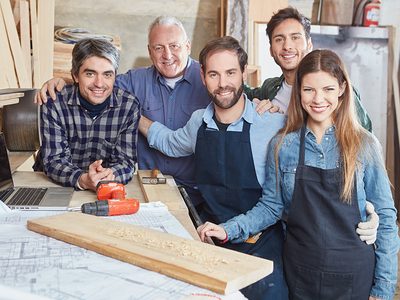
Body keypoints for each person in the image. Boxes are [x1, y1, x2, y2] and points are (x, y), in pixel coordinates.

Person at [198, 49, 399, 300]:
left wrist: (383, 289)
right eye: (308, 89)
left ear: (342, 89)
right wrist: (228, 229)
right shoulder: (284, 145)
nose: (318, 99)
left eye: (327, 89)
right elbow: (271, 207)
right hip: (300, 273)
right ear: (298, 91)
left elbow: (387, 221)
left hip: (353, 275)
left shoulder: (364, 145)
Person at [140, 36, 287, 299]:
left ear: (244, 73)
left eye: (231, 73)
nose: (222, 84)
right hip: (210, 241)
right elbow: (170, 143)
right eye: (214, 74)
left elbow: (275, 204)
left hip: (260, 245)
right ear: (203, 76)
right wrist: (135, 117)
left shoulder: (273, 124)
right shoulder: (199, 122)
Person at [246, 7, 372, 132]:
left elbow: (364, 140)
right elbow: (239, 92)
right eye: (279, 39)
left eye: (295, 37)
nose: (287, 46)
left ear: (309, 44)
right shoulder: (270, 88)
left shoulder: (336, 91)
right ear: (271, 50)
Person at [40, 38, 140, 191]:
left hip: (103, 186)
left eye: (107, 75)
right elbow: (54, 160)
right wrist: (82, 179)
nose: (99, 83)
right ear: (75, 75)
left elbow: (126, 162)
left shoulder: (128, 106)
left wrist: (109, 175)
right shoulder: (54, 103)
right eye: (90, 74)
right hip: (55, 184)